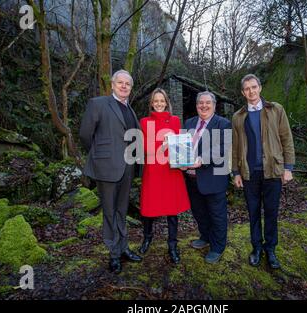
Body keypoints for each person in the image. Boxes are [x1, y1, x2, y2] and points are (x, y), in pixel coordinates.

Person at [79, 69, 143, 274]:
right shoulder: (98, 104)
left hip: (127, 168)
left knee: (122, 210)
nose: (124, 86)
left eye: (128, 84)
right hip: (106, 168)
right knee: (109, 212)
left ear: (131, 88)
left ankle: (123, 248)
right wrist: (100, 156)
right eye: (120, 82)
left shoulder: (130, 110)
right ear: (113, 85)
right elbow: (85, 135)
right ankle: (114, 254)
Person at [232, 74, 295, 270]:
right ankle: (257, 248)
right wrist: (235, 172)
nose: (251, 91)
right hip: (249, 173)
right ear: (243, 93)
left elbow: (287, 139)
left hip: (273, 171)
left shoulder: (276, 110)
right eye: (247, 89)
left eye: (254, 87)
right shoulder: (238, 117)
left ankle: (271, 249)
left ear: (260, 88)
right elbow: (234, 148)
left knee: (271, 212)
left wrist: (288, 168)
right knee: (252, 213)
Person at [138, 88, 191, 264]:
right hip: (153, 169)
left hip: (171, 170)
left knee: (172, 208)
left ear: (167, 102)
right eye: (156, 101)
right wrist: (163, 146)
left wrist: (184, 163)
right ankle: (147, 238)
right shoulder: (144, 122)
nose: (159, 103)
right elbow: (144, 148)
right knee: (149, 207)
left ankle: (173, 245)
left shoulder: (175, 121)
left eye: (162, 100)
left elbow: (180, 147)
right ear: (151, 103)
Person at [183, 91, 231, 264]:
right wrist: (179, 161)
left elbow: (222, 148)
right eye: (200, 103)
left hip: (213, 177)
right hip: (191, 177)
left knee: (216, 214)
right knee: (199, 211)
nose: (203, 106)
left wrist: (201, 160)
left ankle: (217, 247)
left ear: (214, 105)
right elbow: (182, 147)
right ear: (196, 106)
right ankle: (205, 236)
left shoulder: (223, 124)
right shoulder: (189, 122)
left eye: (207, 103)